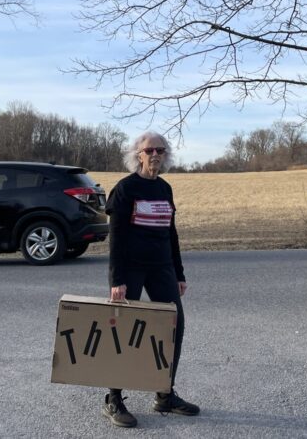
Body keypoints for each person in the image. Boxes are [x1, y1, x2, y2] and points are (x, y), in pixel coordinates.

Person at [100, 131, 200, 428]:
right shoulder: (125, 189)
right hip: (130, 269)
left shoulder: (164, 189)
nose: (155, 154)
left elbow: (171, 234)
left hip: (162, 268)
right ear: (138, 155)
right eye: (149, 150)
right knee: (122, 331)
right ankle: (113, 399)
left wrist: (179, 273)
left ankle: (164, 394)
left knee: (174, 326)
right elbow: (117, 238)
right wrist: (117, 280)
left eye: (160, 150)